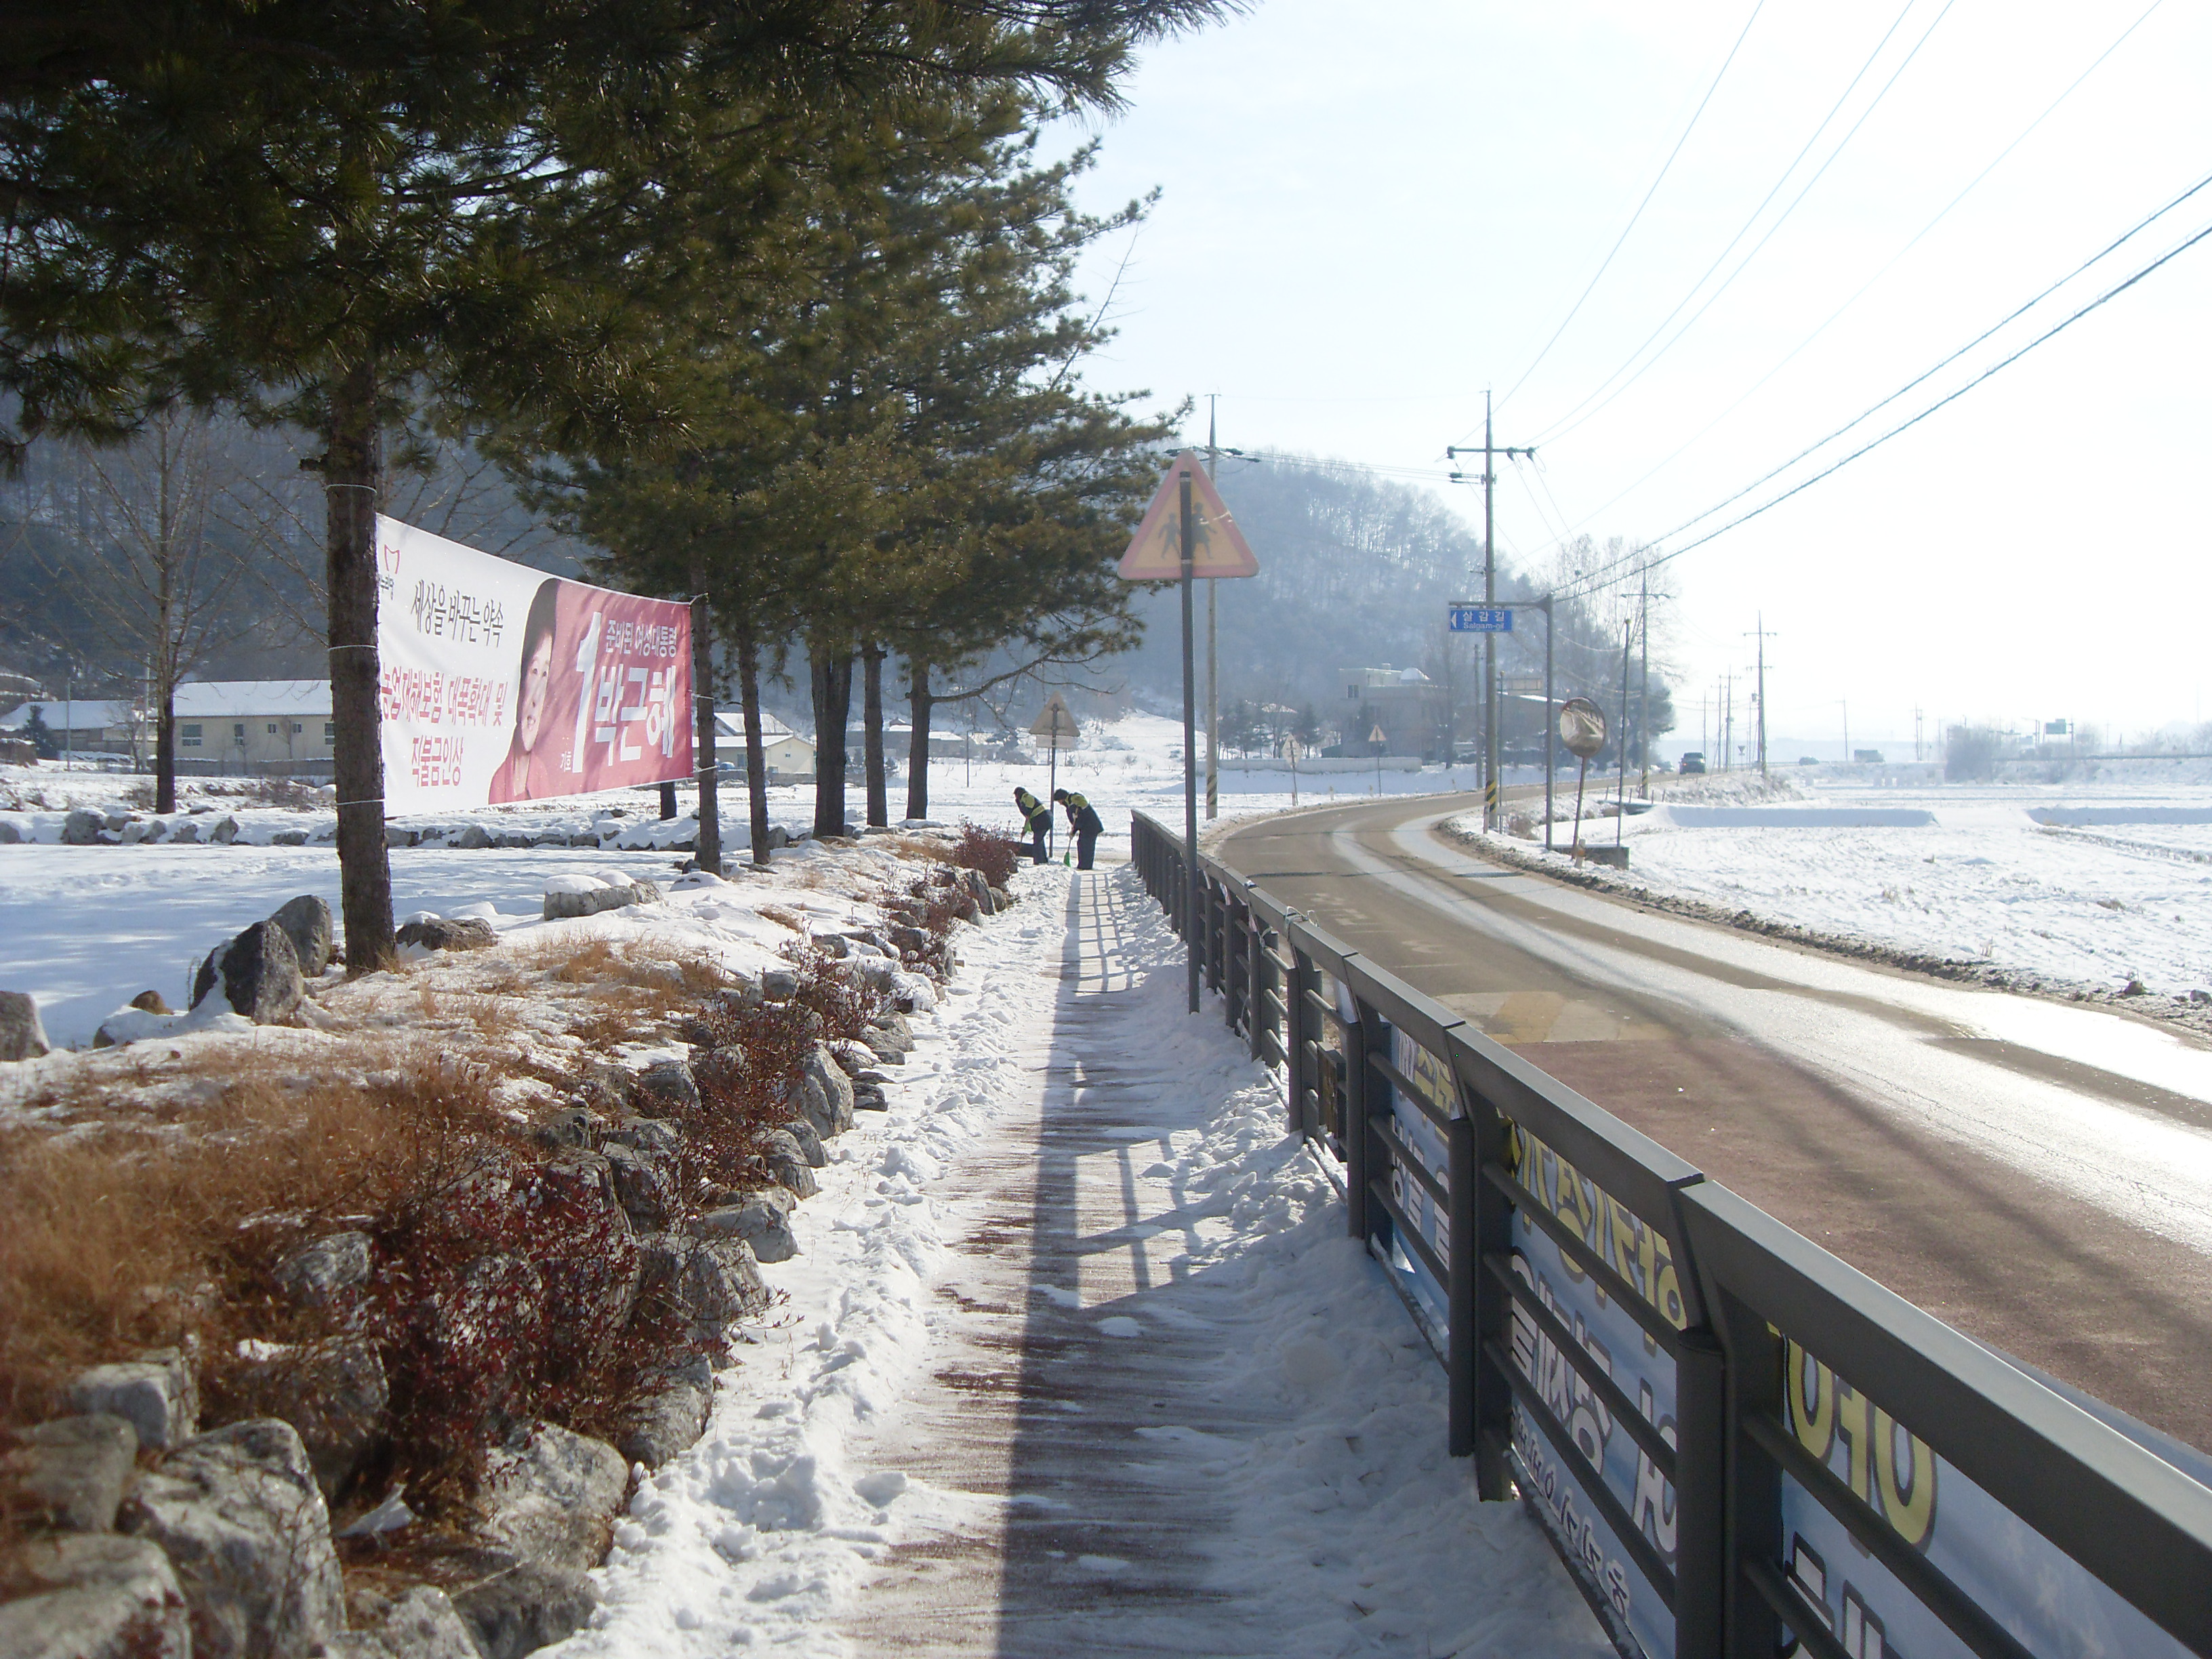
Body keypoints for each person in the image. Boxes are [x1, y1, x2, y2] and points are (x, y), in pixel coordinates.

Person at [489, 579, 561, 804]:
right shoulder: (497, 783)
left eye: (545, 674)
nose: (536, 699)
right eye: (534, 671)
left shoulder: (541, 777)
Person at [1052, 786, 1104, 870]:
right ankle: (1083, 865)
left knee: (1086, 845)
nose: (1060, 803)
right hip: (1085, 827)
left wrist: (1081, 808)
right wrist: (1073, 832)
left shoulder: (1074, 799)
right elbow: (1076, 821)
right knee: (1081, 844)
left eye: (1059, 801)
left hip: (1091, 826)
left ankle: (1086, 867)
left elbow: (1084, 805)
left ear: (1062, 798)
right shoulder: (1069, 806)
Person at [1013, 785, 1052, 865]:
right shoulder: (1025, 799)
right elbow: (1028, 817)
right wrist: (1025, 830)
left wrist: (1020, 805)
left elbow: (1028, 813)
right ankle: (1042, 859)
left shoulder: (1027, 798)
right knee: (1039, 839)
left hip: (1043, 819)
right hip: (1044, 819)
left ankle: (1039, 860)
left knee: (1038, 840)